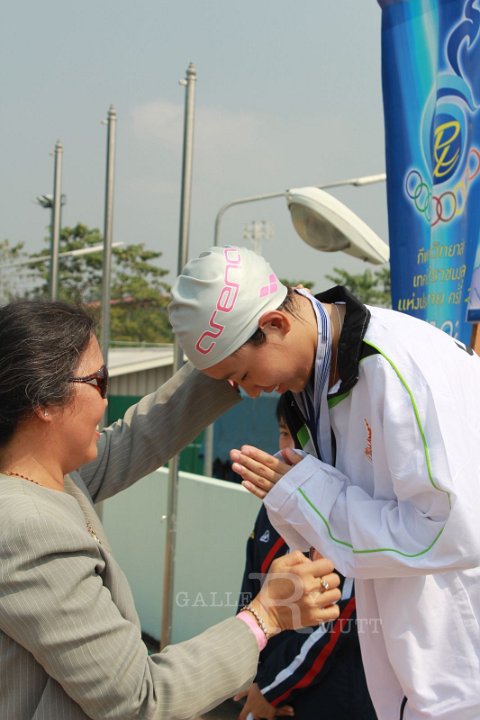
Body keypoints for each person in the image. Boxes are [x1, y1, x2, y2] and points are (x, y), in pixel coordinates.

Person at [169, 245, 480, 720]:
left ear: (276, 324)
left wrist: (308, 494)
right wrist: (297, 497)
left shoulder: (396, 367)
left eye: (244, 375)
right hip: (410, 662)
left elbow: (450, 531)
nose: (250, 393)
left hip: (456, 660)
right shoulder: (318, 380)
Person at [0, 299, 342, 720]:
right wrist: (266, 616)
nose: (108, 403)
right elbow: (140, 697)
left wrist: (230, 355)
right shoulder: (25, 529)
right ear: (44, 402)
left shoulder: (56, 479)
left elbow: (140, 435)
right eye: (99, 381)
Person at [235, 395, 375, 720]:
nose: (290, 449)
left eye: (303, 438)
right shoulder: (271, 505)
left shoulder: (344, 510)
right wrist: (246, 662)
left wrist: (273, 688)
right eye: (284, 433)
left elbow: (338, 613)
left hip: (330, 693)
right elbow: (252, 588)